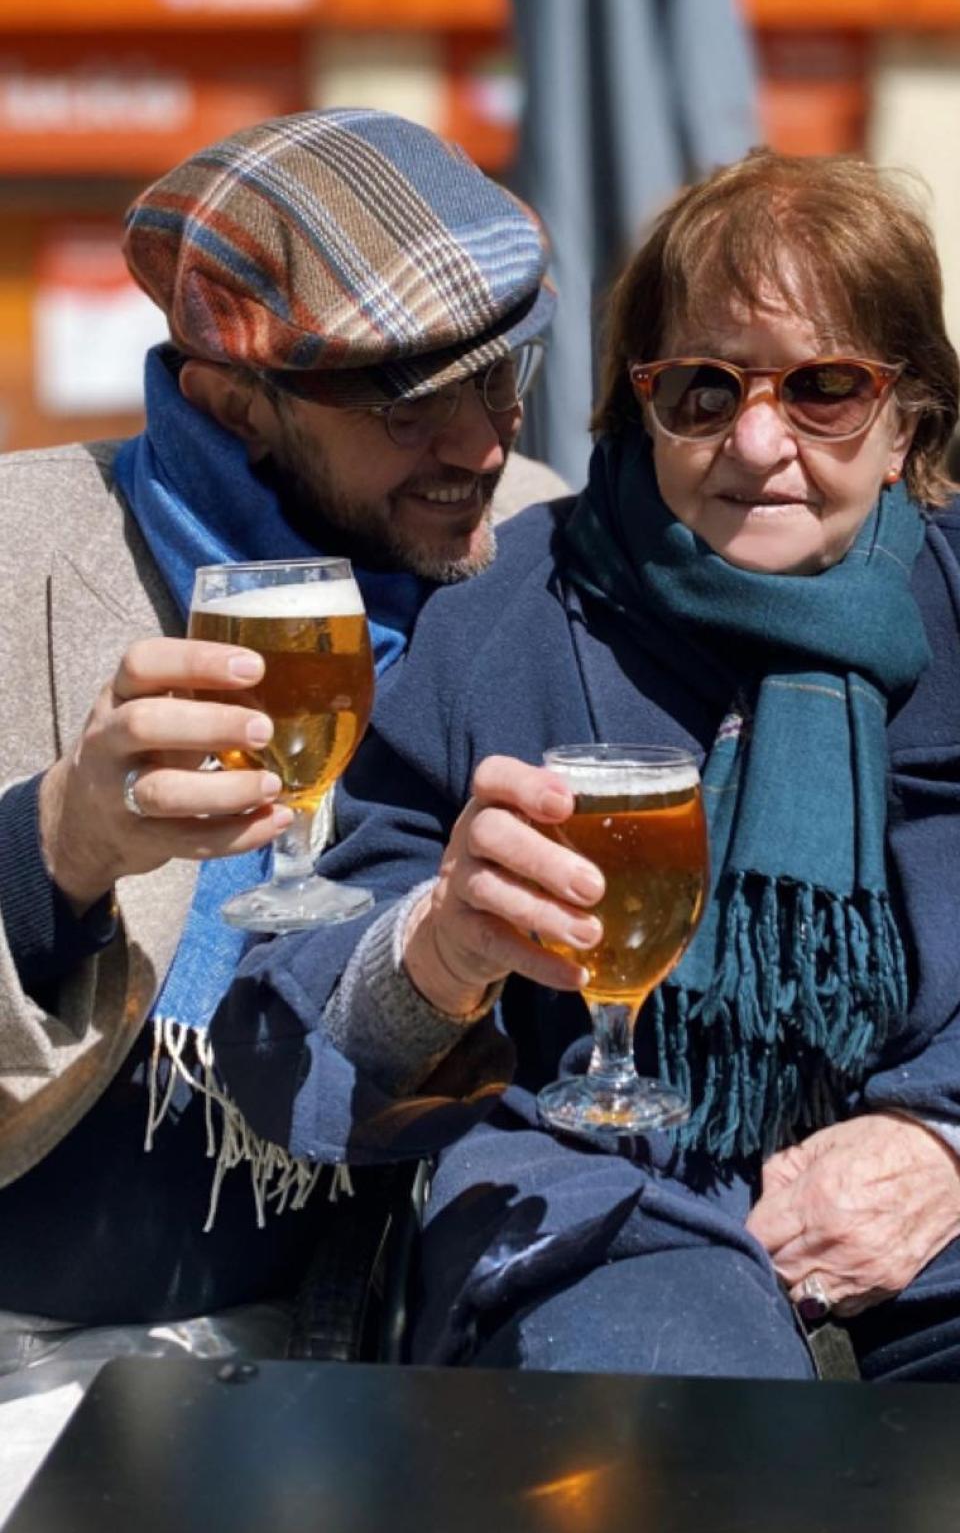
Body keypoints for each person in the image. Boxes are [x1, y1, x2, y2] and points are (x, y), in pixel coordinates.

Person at [213, 147, 960, 1381]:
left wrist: (942, 1139)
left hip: (935, 1207)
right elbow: (302, 1005)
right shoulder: (502, 602)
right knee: (674, 1464)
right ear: (638, 407)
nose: (757, 441)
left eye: (826, 387)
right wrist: (438, 950)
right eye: (704, 393)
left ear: (907, 424)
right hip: (588, 1210)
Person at [0, 106, 564, 1373]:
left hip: (382, 1360)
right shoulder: (19, 542)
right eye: (409, 407)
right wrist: (57, 846)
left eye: (500, 376)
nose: (478, 442)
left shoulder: (540, 543)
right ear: (232, 402)